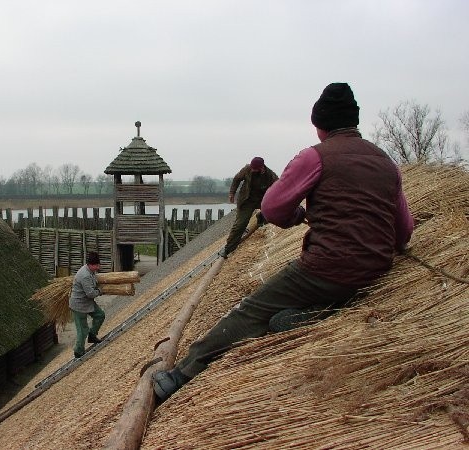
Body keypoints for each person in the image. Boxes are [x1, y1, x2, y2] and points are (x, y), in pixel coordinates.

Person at [153, 82, 414, 401]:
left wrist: (296, 217)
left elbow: (272, 207)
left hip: (326, 269)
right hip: (374, 270)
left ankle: (181, 374)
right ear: (354, 123)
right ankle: (318, 314)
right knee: (295, 309)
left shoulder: (316, 157)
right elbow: (404, 231)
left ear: (320, 126)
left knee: (248, 311)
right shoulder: (386, 163)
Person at [219, 157, 278, 257]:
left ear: (261, 168)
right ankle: (228, 248)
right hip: (247, 201)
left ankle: (262, 216)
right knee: (240, 225)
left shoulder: (269, 175)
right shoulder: (247, 169)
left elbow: (279, 185)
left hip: (263, 200)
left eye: (254, 168)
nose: (252, 170)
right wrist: (232, 193)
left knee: (272, 213)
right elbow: (236, 179)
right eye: (252, 167)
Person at [69, 251, 105, 358]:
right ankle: (78, 351)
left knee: (100, 315)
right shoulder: (84, 275)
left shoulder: (90, 271)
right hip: (79, 305)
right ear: (91, 265)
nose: (98, 267)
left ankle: (92, 335)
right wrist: (100, 291)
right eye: (97, 265)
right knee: (82, 329)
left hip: (87, 303)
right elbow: (90, 294)